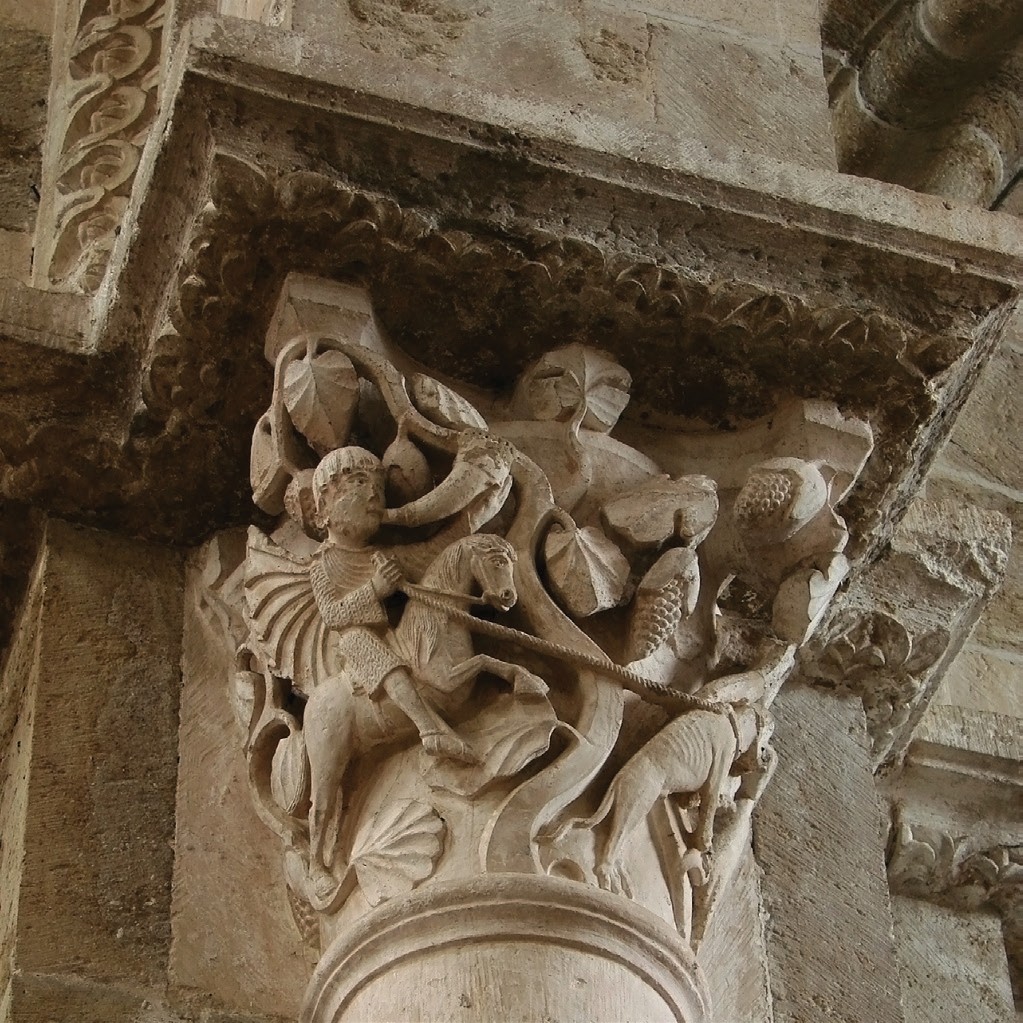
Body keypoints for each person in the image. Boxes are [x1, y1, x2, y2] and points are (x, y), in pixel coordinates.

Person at [309, 445, 476, 762]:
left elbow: (435, 554)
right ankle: (430, 730)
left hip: (392, 636)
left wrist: (476, 500)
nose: (374, 495)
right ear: (324, 507)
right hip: (356, 646)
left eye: (378, 487)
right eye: (359, 482)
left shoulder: (382, 555)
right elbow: (332, 615)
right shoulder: (321, 565)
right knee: (357, 639)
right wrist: (376, 588)